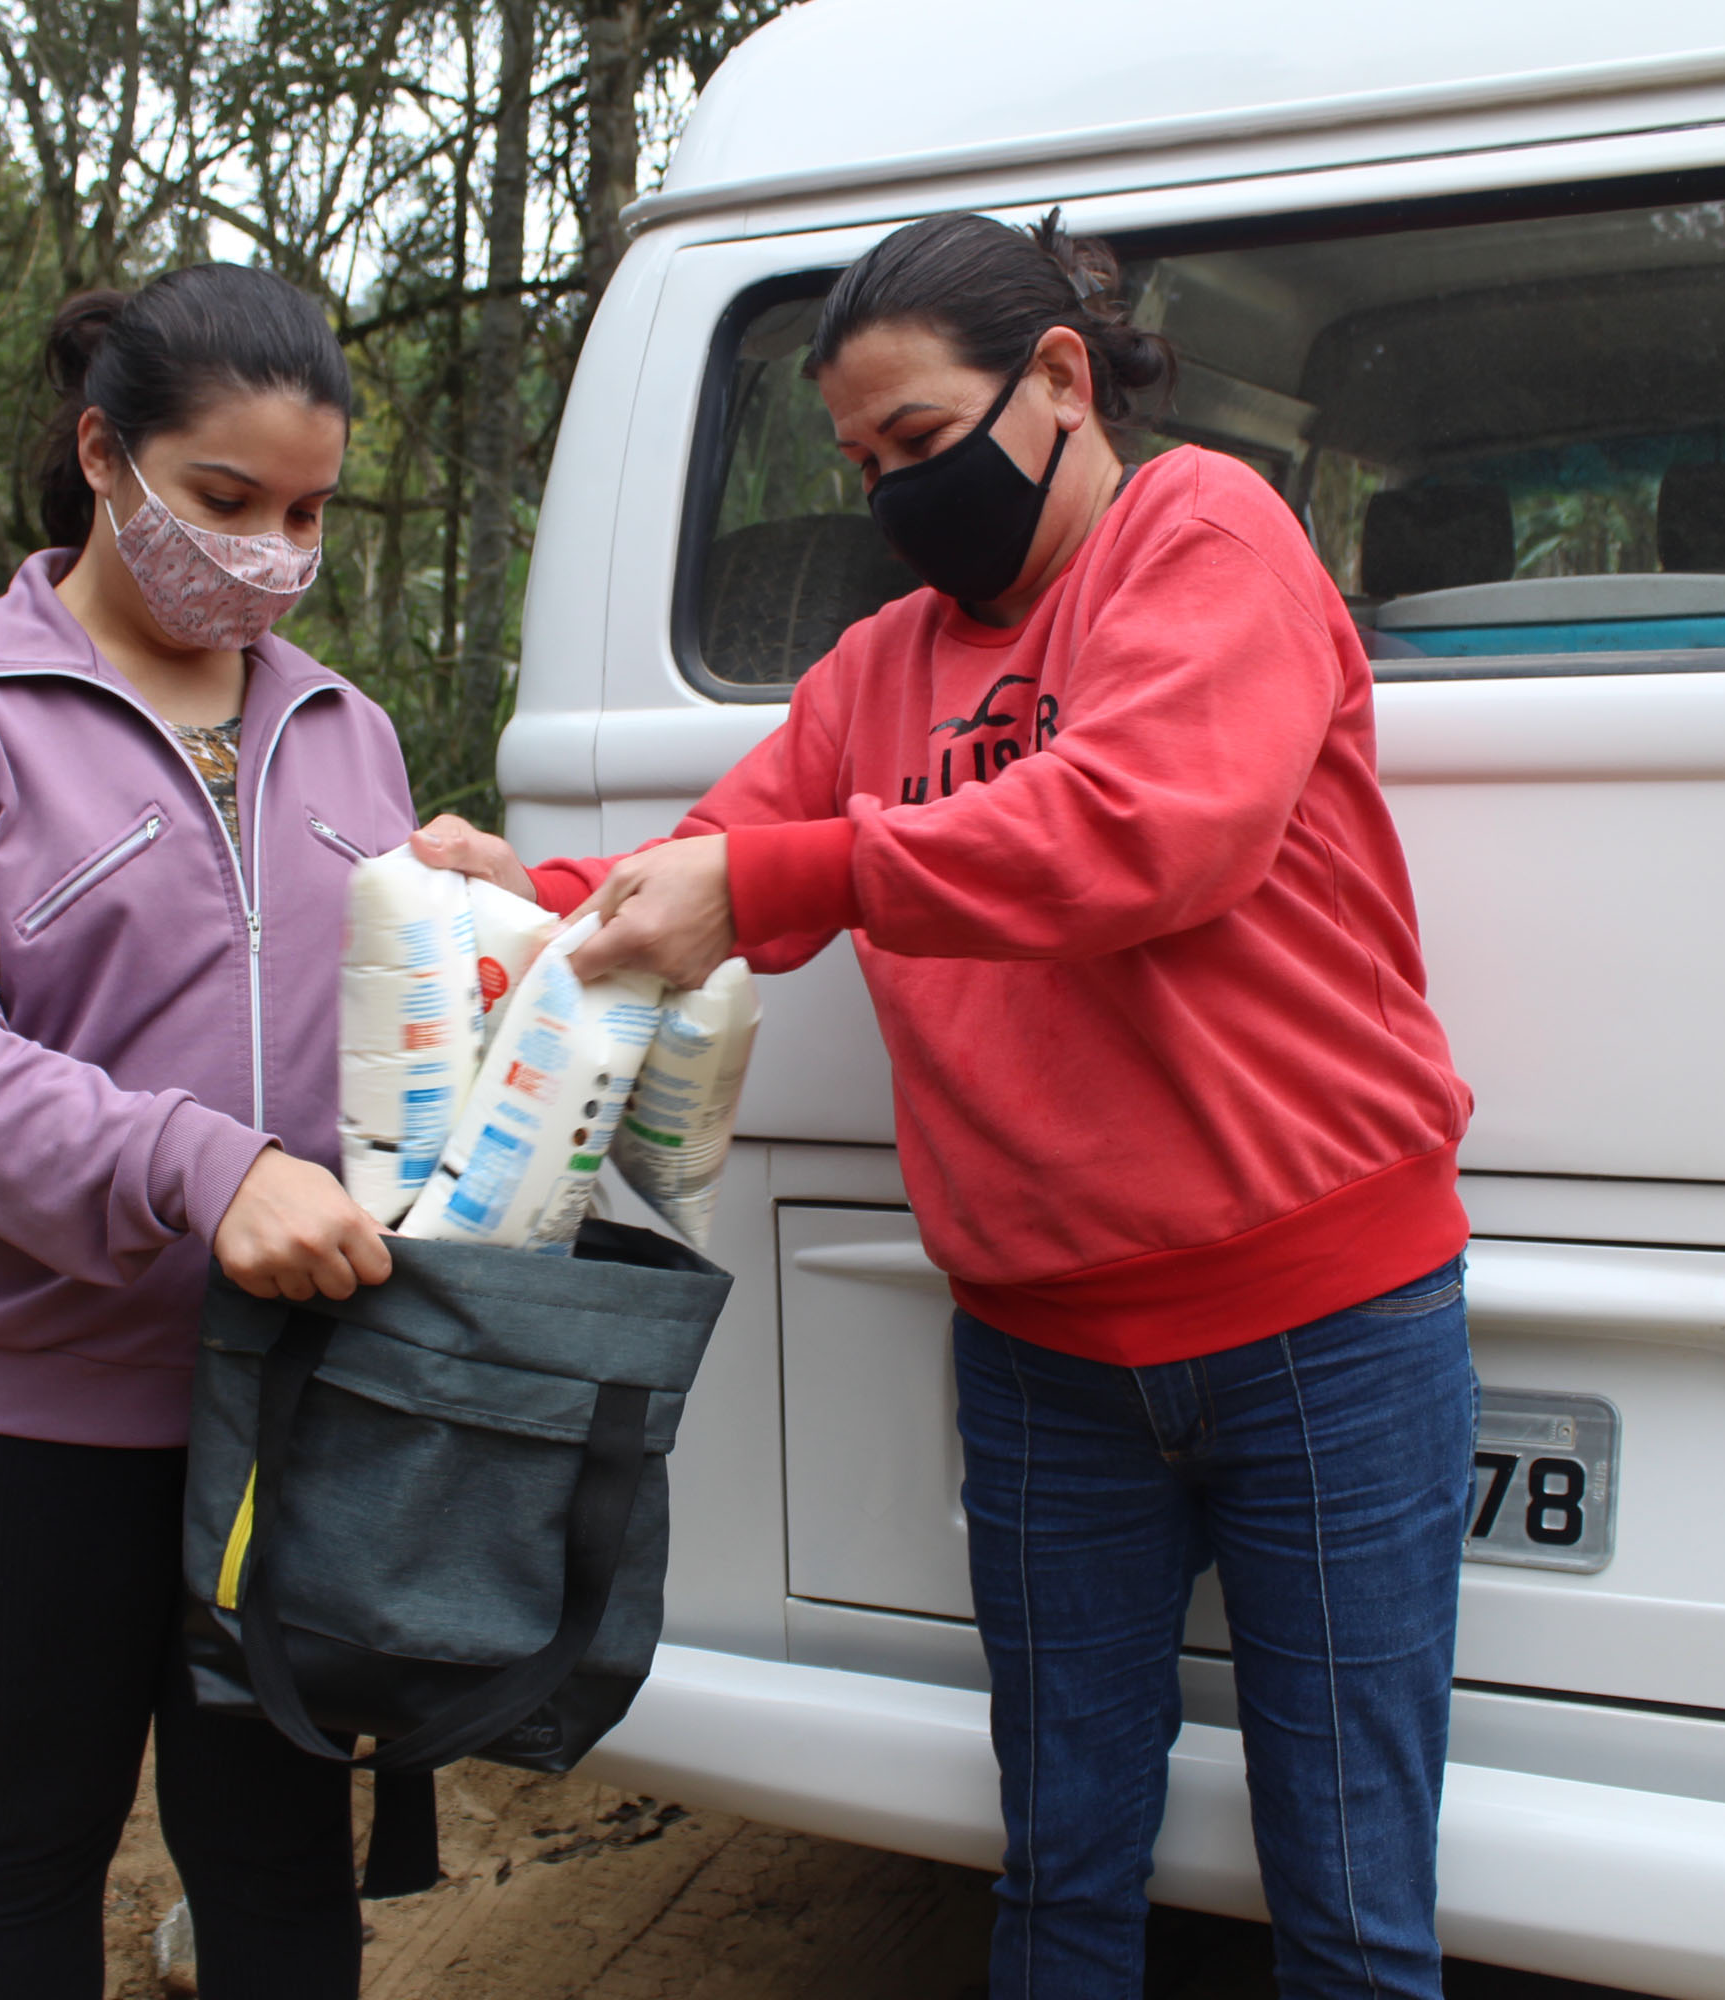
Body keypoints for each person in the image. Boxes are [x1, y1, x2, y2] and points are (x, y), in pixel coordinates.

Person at [417, 211, 1477, 2000]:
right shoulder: (886, 666)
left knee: (1353, 1902)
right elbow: (720, 861)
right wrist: (526, 896)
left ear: (1060, 380)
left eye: (920, 443)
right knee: (1057, 1871)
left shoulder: (1204, 538)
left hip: (1326, 1325)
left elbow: (1151, 829)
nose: (898, 494)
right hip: (1044, 1349)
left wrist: (767, 885)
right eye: (862, 464)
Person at [0, 263, 404, 2000]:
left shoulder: (343, 729)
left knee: (283, 1851)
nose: (269, 551)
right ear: (102, 455)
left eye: (307, 512)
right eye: (225, 500)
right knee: (28, 1841)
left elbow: (381, 1037)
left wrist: (486, 946)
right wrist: (206, 1170)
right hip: (24, 1414)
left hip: (292, 1405)